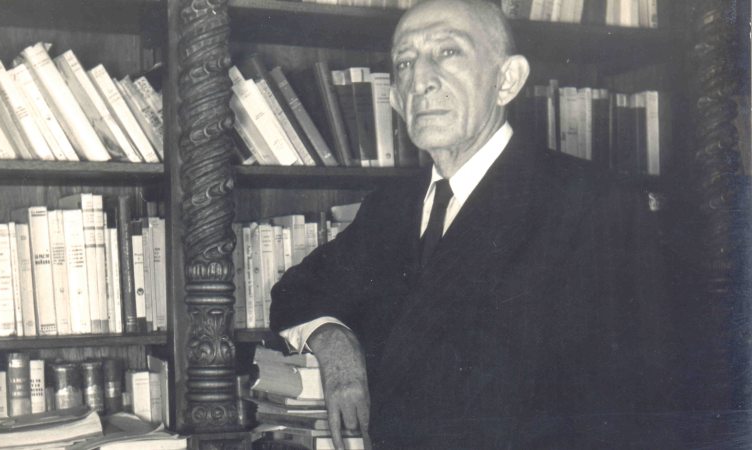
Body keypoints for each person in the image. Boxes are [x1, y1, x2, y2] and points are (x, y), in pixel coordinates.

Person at [269, 0, 677, 448]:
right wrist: (334, 343)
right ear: (396, 100)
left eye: (448, 52)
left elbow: (636, 407)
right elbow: (296, 293)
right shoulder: (388, 209)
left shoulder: (592, 201)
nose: (421, 79)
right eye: (405, 62)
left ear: (507, 81)